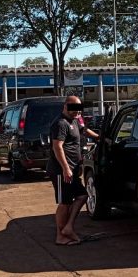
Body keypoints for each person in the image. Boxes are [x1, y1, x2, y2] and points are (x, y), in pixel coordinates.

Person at [47, 96, 98, 246]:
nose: (77, 112)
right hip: (61, 170)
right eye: (74, 108)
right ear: (66, 106)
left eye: (78, 109)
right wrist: (65, 168)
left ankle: (68, 228)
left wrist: (99, 137)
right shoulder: (60, 123)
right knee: (65, 203)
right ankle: (60, 236)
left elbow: (84, 130)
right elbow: (57, 147)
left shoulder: (74, 120)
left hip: (72, 169)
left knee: (82, 195)